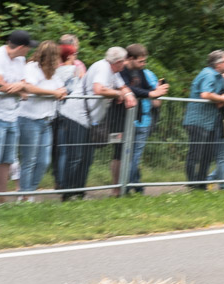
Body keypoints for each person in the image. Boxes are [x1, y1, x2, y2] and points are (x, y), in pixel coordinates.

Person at [54, 46, 135, 200]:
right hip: (76, 116)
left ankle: (79, 192)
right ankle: (67, 194)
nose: (124, 64)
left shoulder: (113, 71)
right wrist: (119, 94)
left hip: (90, 120)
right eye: (123, 62)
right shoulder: (103, 68)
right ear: (118, 62)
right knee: (76, 156)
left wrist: (128, 94)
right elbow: (98, 89)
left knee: (87, 158)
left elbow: (122, 86)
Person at [0, 30, 34, 202]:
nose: (29, 51)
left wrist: (17, 86)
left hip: (12, 114)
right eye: (28, 47)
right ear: (21, 47)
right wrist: (17, 88)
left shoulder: (21, 59)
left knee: (7, 160)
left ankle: (1, 200)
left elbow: (23, 84)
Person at [17, 40, 67, 197]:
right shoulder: (31, 68)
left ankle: (29, 191)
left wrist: (62, 91)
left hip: (46, 121)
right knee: (29, 160)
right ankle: (25, 195)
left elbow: (61, 88)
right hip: (29, 119)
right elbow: (29, 87)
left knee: (44, 161)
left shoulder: (53, 73)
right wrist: (53, 93)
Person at [120, 43, 168, 195]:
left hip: (142, 120)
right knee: (127, 155)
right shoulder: (121, 71)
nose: (143, 64)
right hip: (125, 120)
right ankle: (127, 186)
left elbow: (148, 90)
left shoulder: (139, 71)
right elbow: (128, 88)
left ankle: (131, 186)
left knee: (135, 156)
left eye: (144, 61)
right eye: (140, 61)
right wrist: (151, 94)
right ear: (130, 58)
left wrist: (158, 90)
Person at [183, 50, 224, 189]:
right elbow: (205, 94)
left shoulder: (219, 76)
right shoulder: (208, 74)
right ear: (218, 64)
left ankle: (201, 185)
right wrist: (222, 98)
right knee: (195, 154)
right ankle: (192, 184)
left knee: (207, 155)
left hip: (210, 122)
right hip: (197, 121)